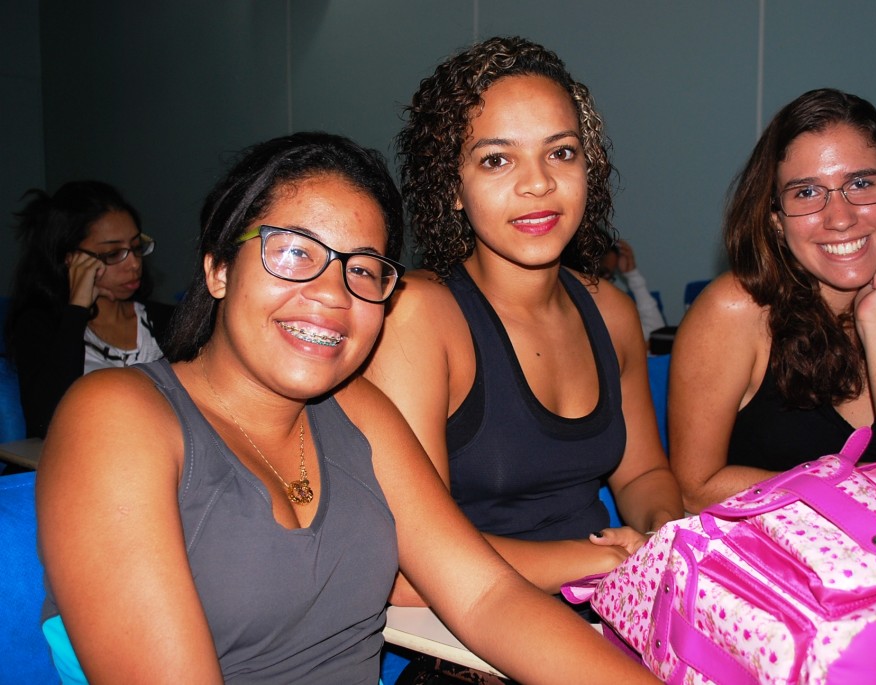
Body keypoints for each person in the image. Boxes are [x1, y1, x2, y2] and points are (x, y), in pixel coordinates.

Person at [35, 132, 661, 684]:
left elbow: (486, 596)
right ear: (219, 267)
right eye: (294, 252)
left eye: (362, 270)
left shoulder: (358, 410)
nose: (332, 294)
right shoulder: (117, 416)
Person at [364, 35, 684, 612]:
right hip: (469, 626)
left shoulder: (611, 312)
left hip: (613, 601)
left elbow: (642, 475)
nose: (538, 183)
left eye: (561, 152)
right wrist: (597, 562)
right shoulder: (421, 317)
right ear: (452, 187)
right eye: (496, 159)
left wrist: (661, 534)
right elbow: (409, 560)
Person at [668, 88, 876, 512]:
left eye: (861, 184)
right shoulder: (734, 309)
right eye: (807, 193)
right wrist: (857, 494)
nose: (840, 218)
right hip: (766, 550)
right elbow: (694, 487)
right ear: (776, 219)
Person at [4, 180, 173, 437]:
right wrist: (77, 310)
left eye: (136, 247)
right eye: (113, 254)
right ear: (71, 259)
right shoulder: (42, 325)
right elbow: (45, 421)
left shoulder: (166, 319)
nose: (134, 264)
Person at [597, 239, 667, 344]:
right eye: (602, 272)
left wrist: (632, 275)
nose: (605, 282)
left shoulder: (611, 307)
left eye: (609, 276)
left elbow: (656, 336)